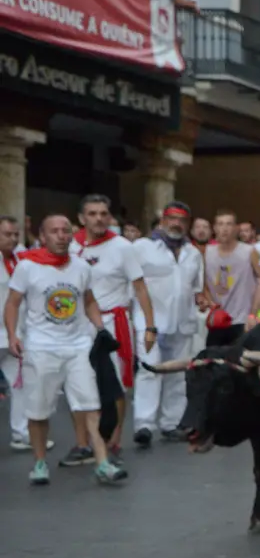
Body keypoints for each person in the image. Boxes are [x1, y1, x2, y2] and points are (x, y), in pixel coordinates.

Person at [5, 214, 123, 485]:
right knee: (38, 411)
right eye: (54, 231)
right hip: (41, 348)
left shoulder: (81, 266)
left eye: (65, 231)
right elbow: (12, 303)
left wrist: (100, 327)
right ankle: (39, 463)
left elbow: (89, 300)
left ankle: (103, 462)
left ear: (72, 235)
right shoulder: (27, 267)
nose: (61, 236)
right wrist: (13, 335)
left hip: (77, 346)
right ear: (42, 237)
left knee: (91, 406)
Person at [73, 195, 155, 461]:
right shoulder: (70, 246)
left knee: (117, 385)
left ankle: (115, 439)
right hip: (78, 323)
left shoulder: (122, 247)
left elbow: (140, 287)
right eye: (92, 213)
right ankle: (83, 442)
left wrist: (150, 326)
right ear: (81, 218)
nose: (99, 218)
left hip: (113, 321)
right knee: (79, 383)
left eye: (103, 213)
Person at [129, 202, 204, 447]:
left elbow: (196, 289)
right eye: (172, 219)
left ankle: (172, 423)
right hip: (150, 322)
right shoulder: (142, 247)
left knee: (178, 374)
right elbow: (131, 283)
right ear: (162, 221)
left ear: (188, 224)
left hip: (182, 322)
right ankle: (144, 424)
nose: (176, 224)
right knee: (149, 371)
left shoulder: (193, 253)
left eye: (182, 220)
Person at [202, 210, 260, 347]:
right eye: (220, 224)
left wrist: (254, 313)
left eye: (229, 224)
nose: (224, 229)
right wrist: (211, 304)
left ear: (236, 228)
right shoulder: (207, 252)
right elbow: (203, 283)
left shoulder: (249, 251)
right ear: (214, 228)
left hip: (242, 320)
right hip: (217, 320)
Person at [1, 214, 28, 450]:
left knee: (21, 384)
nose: (12, 239)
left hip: (14, 334)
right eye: (7, 234)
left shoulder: (21, 260)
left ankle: (21, 433)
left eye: (15, 234)